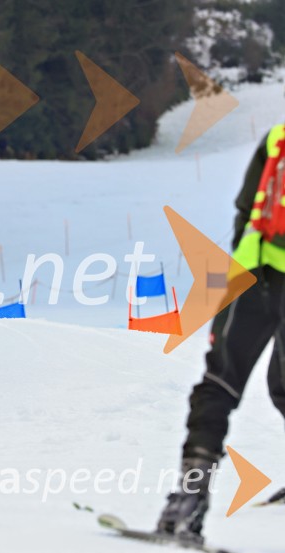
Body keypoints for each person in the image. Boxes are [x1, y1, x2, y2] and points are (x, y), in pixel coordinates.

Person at [156, 122, 285, 541]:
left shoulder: (278, 137)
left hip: (255, 272)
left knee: (220, 384)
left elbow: (246, 207)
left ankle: (187, 501)